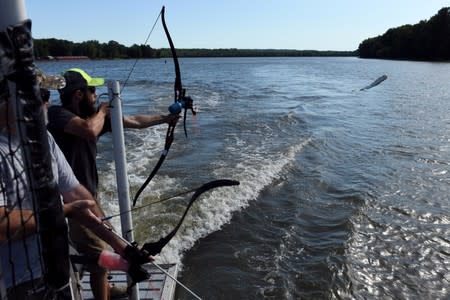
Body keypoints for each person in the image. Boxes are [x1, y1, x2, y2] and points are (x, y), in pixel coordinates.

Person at [0, 77, 146, 299]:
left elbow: (76, 194)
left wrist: (123, 247)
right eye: (38, 94)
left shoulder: (41, 138)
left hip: (56, 267)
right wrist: (63, 212)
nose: (46, 101)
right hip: (16, 281)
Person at [47, 68, 178, 300]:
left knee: (100, 245)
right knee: (97, 252)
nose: (96, 95)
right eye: (92, 91)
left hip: (86, 194)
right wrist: (104, 111)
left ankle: (104, 287)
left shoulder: (94, 118)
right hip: (67, 198)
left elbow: (134, 121)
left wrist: (165, 119)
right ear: (79, 94)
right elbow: (88, 131)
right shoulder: (58, 115)